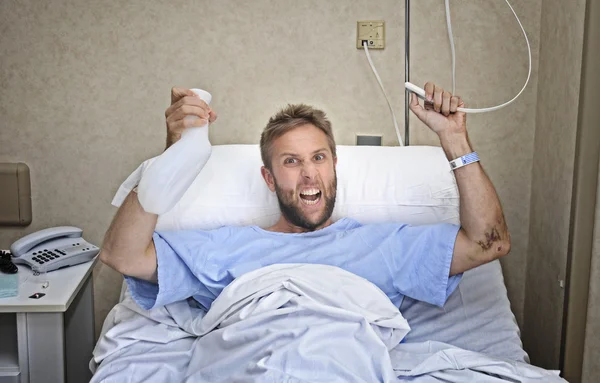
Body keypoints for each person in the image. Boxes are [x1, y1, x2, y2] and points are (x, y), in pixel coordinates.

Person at [99, 83, 510, 311]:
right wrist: (172, 159)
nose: (310, 172)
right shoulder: (226, 248)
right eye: (291, 161)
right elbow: (123, 255)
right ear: (269, 177)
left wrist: (454, 138)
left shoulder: (386, 245)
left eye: (318, 158)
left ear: (334, 166)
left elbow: (489, 243)